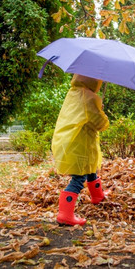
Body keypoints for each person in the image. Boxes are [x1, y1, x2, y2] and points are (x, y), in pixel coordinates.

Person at [51, 74, 110, 226]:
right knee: (78, 178)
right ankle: (65, 214)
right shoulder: (89, 97)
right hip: (79, 143)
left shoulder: (74, 93)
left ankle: (98, 196)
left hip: (71, 139)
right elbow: (99, 123)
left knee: (91, 169)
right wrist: (102, 112)